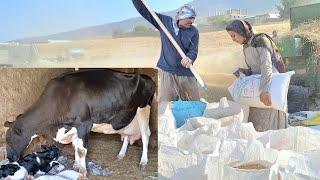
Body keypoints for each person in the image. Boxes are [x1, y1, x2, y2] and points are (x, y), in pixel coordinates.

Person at [132, 0, 200, 102]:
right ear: (182, 16)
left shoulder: (194, 31)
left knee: (194, 102)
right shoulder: (165, 22)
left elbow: (193, 50)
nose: (192, 21)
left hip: (186, 72)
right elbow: (145, 11)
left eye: (193, 18)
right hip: (167, 72)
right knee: (165, 104)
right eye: (190, 18)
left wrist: (190, 58)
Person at [226, 19, 287, 132]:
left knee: (271, 126)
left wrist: (264, 90)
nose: (233, 39)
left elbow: (266, 67)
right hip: (260, 87)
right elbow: (255, 70)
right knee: (256, 125)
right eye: (231, 37)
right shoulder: (246, 47)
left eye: (234, 35)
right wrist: (243, 72)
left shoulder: (261, 41)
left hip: (271, 86)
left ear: (242, 31)